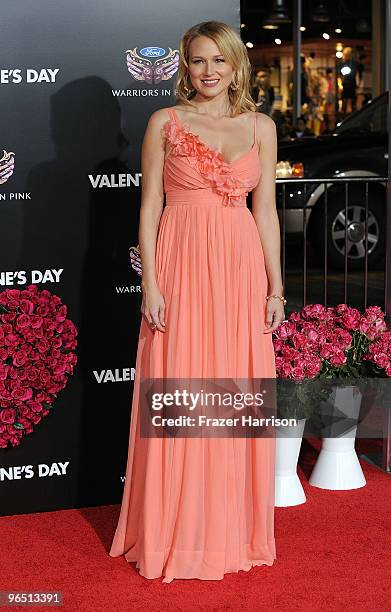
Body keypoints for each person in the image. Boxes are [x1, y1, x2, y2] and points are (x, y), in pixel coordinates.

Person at [109, 20, 285, 583]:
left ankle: (230, 527)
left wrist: (276, 286)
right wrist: (151, 284)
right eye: (197, 61)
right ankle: (176, 529)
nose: (207, 72)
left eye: (219, 61)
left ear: (237, 66)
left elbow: (266, 213)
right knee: (182, 386)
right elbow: (150, 207)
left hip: (239, 269)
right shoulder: (165, 122)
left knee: (235, 389)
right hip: (183, 264)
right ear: (185, 67)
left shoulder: (261, 127)